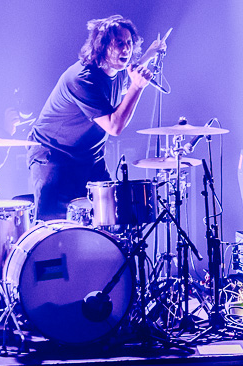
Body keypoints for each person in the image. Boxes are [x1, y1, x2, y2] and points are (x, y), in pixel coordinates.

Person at [27, 15, 165, 221]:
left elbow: (128, 73)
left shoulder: (114, 69)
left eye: (129, 43)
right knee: (53, 228)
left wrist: (149, 55)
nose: (126, 49)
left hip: (89, 158)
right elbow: (114, 126)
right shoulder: (82, 79)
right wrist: (137, 87)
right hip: (54, 157)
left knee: (109, 219)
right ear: (102, 46)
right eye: (119, 43)